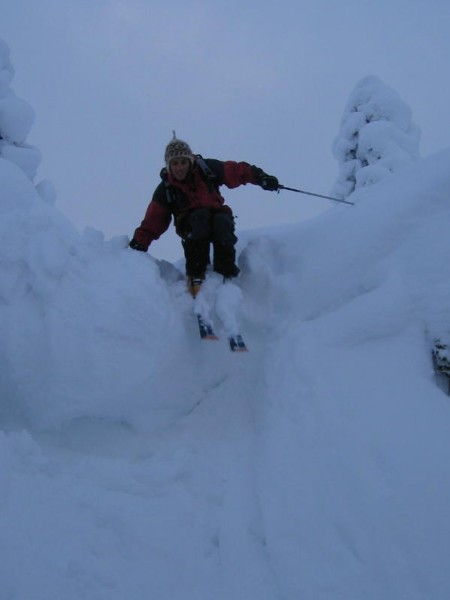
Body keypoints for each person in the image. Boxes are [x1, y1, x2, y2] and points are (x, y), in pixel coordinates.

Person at [129, 132, 279, 296]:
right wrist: (139, 243)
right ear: (168, 166)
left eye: (183, 162)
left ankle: (226, 272)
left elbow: (236, 171)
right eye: (175, 163)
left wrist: (261, 177)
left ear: (190, 160)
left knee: (221, 221)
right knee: (200, 217)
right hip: (190, 224)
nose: (180, 167)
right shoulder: (166, 189)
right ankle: (196, 274)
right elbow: (153, 221)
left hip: (217, 217)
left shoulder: (207, 169)